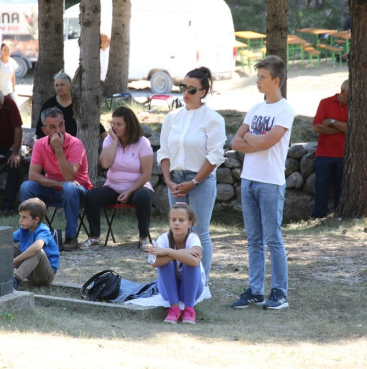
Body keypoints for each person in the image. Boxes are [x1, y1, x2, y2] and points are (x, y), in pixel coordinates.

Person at [231, 55, 294, 310]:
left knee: (273, 239)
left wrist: (253, 139)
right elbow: (235, 142)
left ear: (276, 80)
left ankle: (279, 292)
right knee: (253, 239)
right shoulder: (255, 109)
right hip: (249, 181)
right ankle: (255, 290)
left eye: (262, 77)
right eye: (257, 76)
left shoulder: (284, 110)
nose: (257, 81)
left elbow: (269, 142)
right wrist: (258, 139)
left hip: (270, 182)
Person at [157, 66, 226, 285]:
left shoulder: (213, 119)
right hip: (175, 180)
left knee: (199, 231)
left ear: (203, 92)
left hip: (201, 180)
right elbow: (164, 151)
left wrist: (195, 182)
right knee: (177, 230)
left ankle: (200, 282)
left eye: (192, 89)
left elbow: (215, 156)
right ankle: (178, 278)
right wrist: (168, 180)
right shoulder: (172, 117)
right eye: (183, 87)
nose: (186, 92)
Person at [20, 107, 93, 251]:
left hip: (78, 192)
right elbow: (33, 175)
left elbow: (69, 177)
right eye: (52, 127)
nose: (58, 130)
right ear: (45, 130)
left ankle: (71, 238)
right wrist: (59, 183)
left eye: (61, 125)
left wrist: (59, 149)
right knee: (26, 186)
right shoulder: (40, 144)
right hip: (53, 188)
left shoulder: (75, 144)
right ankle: (31, 235)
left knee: (69, 187)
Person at [81, 106, 154, 250]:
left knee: (143, 196)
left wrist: (130, 191)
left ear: (129, 125)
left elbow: (146, 174)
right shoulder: (110, 139)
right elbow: (105, 164)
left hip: (138, 187)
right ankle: (94, 237)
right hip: (113, 187)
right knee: (91, 196)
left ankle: (144, 238)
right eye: (113, 124)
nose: (115, 127)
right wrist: (114, 142)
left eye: (119, 124)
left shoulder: (143, 142)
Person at [148, 203, 205, 324]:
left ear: (190, 223)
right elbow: (154, 263)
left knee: (189, 262)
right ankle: (174, 308)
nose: (176, 223)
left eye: (181, 220)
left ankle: (189, 309)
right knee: (165, 263)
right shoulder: (163, 238)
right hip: (168, 290)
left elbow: (195, 262)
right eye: (173, 219)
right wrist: (184, 252)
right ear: (169, 221)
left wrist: (168, 251)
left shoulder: (193, 238)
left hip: (193, 289)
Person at [311, 80, 349, 219]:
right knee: (321, 186)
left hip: (343, 154)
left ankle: (338, 215)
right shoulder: (325, 103)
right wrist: (341, 128)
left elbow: (351, 128)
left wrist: (332, 122)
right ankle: (318, 216)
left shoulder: (353, 106)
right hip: (324, 153)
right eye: (349, 95)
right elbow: (317, 127)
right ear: (343, 92)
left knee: (341, 187)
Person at [35, 71, 106, 139]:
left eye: (62, 85)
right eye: (57, 85)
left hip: (76, 144)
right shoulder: (48, 104)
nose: (59, 87)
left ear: (70, 86)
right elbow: (40, 129)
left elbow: (95, 123)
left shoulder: (80, 103)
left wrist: (108, 140)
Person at [13, 197, 60, 290]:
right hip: (29, 273)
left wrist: (16, 260)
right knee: (6, 246)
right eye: (20, 216)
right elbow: (6, 238)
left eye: (24, 217)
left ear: (36, 220)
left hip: (44, 275)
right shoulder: (24, 229)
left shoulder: (43, 230)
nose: (20, 220)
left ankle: (15, 281)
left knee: (38, 252)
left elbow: (37, 248)